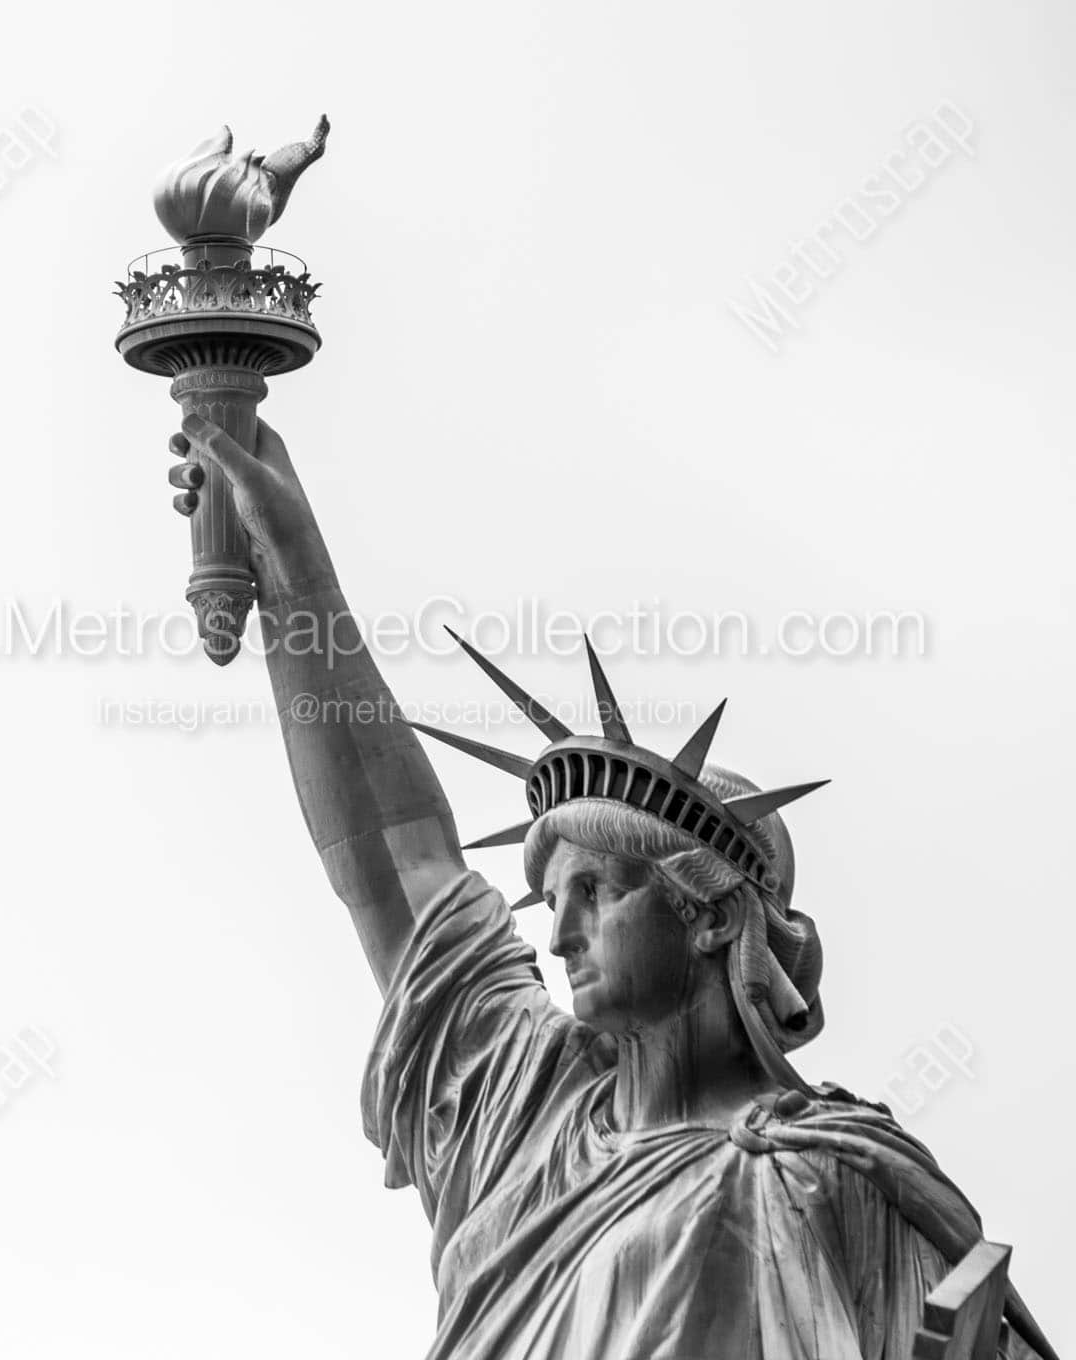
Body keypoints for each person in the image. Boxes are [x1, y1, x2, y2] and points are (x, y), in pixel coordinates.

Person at [169, 413, 1056, 1360]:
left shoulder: (840, 1181)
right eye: (553, 901)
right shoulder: (528, 1112)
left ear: (709, 913)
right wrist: (293, 576)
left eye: (596, 891)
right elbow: (396, 863)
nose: (559, 939)